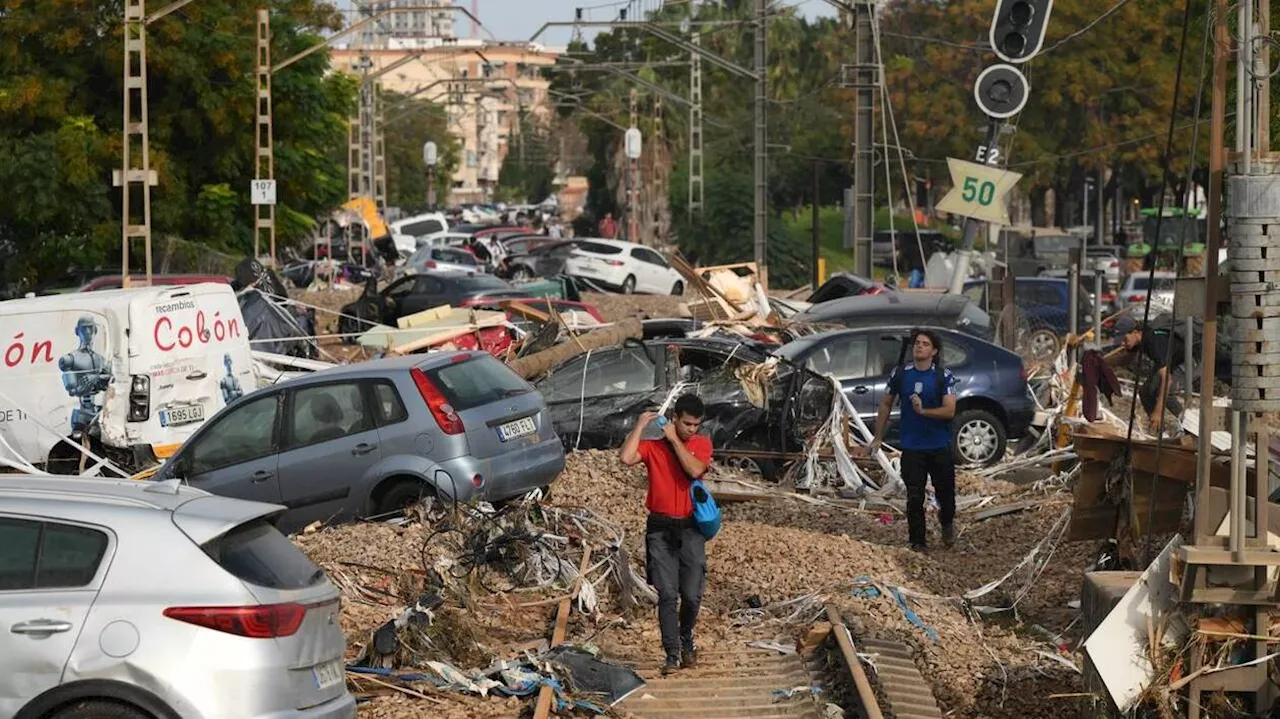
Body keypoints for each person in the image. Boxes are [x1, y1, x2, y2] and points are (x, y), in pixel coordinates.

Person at [620, 394, 713, 676]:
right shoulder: (653, 448)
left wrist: (675, 440)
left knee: (692, 595)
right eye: (686, 424)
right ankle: (672, 654)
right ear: (674, 419)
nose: (691, 430)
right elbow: (625, 458)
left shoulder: (701, 445)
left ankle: (686, 637)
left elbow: (695, 470)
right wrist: (640, 425)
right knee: (668, 594)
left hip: (691, 527)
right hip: (660, 528)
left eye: (696, 425)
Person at [863, 329, 957, 552]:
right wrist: (878, 437)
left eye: (925, 344)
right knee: (914, 496)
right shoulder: (901, 374)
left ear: (934, 351)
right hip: (912, 446)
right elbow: (886, 403)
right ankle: (917, 541)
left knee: (946, 494)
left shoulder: (943, 376)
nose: (919, 347)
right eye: (917, 343)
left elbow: (950, 410)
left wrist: (924, 411)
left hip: (939, 445)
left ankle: (947, 523)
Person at [1110, 315, 1184, 434]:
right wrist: (1101, 361)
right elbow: (1126, 360)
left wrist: (1158, 411)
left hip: (1187, 360)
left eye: (1124, 339)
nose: (1122, 344)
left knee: (1166, 392)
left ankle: (1187, 425)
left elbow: (1166, 380)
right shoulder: (1138, 340)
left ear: (1135, 332)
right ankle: (1160, 431)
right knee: (1145, 391)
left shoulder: (1154, 341)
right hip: (1169, 360)